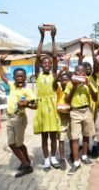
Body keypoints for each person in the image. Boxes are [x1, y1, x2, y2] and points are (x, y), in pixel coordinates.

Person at [0, 54, 37, 178]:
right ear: (14, 77)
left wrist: (26, 104)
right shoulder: (12, 85)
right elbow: (4, 77)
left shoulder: (27, 90)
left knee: (17, 144)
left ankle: (26, 165)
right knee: (13, 143)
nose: (20, 78)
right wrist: (0, 63)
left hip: (19, 119)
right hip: (10, 118)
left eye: (22, 76)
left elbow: (35, 105)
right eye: (18, 76)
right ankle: (26, 162)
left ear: (25, 77)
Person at [34, 26, 61, 171]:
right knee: (44, 136)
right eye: (44, 63)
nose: (47, 64)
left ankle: (53, 157)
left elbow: (55, 57)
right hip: (41, 107)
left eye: (49, 63)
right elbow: (37, 57)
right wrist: (42, 38)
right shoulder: (38, 75)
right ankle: (45, 160)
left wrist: (53, 38)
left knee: (53, 135)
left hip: (52, 105)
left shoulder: (53, 73)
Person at [65, 65, 97, 174]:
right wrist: (74, 86)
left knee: (86, 135)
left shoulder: (88, 82)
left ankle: (84, 156)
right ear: (74, 73)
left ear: (84, 73)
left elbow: (95, 98)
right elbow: (67, 100)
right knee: (74, 138)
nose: (80, 72)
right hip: (75, 112)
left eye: (82, 70)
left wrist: (89, 86)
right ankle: (76, 162)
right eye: (77, 70)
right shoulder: (70, 84)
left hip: (87, 110)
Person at [52, 69, 71, 171]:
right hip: (60, 115)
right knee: (62, 138)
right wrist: (59, 73)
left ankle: (73, 154)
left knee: (72, 137)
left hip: (70, 114)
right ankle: (62, 158)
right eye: (63, 80)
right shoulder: (58, 88)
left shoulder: (72, 88)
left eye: (67, 80)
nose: (65, 82)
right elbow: (54, 83)